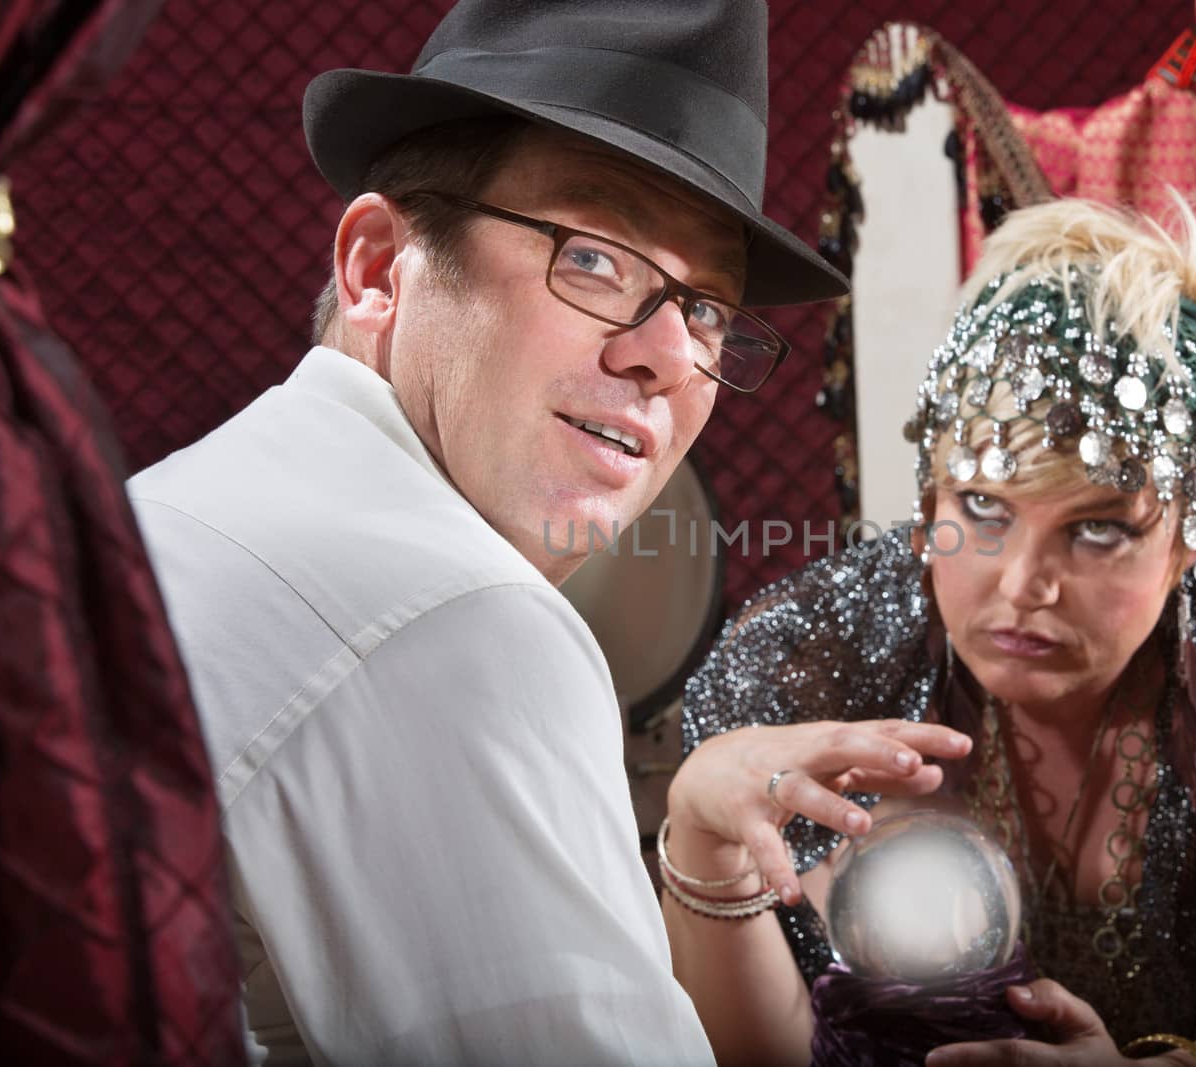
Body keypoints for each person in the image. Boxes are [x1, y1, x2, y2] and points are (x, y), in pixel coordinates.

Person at [126, 0, 845, 1062]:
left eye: (704, 308)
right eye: (593, 257)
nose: (664, 354)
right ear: (379, 268)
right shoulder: (459, 621)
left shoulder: (173, 503)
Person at [663, 196, 1196, 1066]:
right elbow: (768, 1053)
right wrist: (703, 838)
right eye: (984, 508)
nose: (1022, 585)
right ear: (928, 503)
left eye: (1099, 528)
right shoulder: (810, 650)